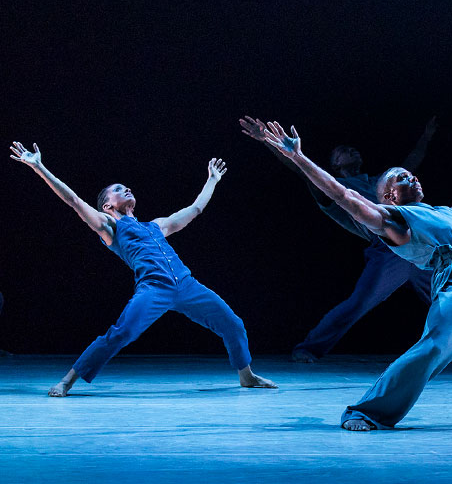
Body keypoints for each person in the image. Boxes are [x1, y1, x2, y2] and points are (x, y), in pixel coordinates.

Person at [259, 122, 452, 430]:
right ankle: (365, 412)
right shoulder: (393, 220)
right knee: (435, 347)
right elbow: (345, 196)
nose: (410, 175)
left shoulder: (445, 212)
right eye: (400, 177)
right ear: (389, 196)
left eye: (407, 172)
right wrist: (299, 158)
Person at [9, 141, 275, 396]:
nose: (127, 189)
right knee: (121, 333)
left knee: (233, 323)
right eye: (118, 189)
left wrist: (212, 180)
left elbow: (194, 209)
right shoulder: (110, 227)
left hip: (186, 285)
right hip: (153, 288)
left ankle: (246, 376)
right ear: (107, 206)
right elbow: (75, 202)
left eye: (127, 187)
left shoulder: (156, 226)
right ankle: (68, 380)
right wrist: (39, 168)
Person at [240, 116, 436, 362]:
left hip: (420, 242)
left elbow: (409, 165)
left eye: (351, 149)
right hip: (389, 250)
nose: (350, 150)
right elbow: (300, 169)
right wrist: (270, 142)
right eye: (342, 152)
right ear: (335, 164)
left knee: (448, 298)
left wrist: (426, 137)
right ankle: (308, 348)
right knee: (359, 303)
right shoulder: (335, 186)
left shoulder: (378, 182)